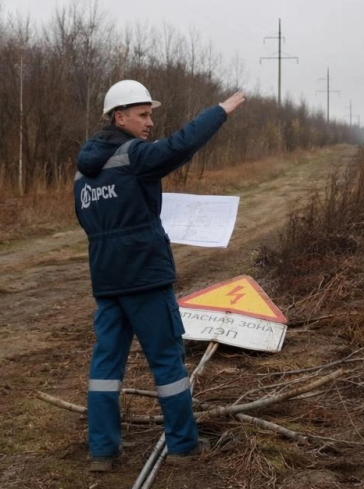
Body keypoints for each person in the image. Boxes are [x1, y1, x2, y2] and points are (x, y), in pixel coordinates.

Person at [74, 79, 246, 473]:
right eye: (143, 114)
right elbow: (181, 145)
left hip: (107, 280)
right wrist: (220, 111)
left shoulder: (82, 173)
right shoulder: (134, 155)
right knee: (167, 362)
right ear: (120, 117)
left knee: (105, 367)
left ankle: (102, 451)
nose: (150, 122)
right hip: (145, 278)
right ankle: (184, 446)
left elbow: (88, 221)